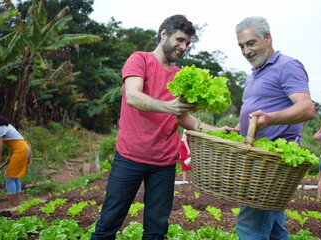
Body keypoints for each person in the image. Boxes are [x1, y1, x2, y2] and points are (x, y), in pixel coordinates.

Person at [91, 14, 232, 240]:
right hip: (130, 157)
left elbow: (183, 118)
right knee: (108, 223)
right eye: (179, 40)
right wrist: (169, 107)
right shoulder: (140, 60)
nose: (183, 47)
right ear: (164, 34)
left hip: (164, 162)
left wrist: (215, 130)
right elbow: (134, 97)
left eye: (187, 43)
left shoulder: (179, 76)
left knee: (156, 230)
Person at [234, 16, 316, 240]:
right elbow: (257, 112)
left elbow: (307, 108)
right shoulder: (253, 75)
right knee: (274, 230)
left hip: (271, 164)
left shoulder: (287, 66)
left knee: (249, 227)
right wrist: (239, 128)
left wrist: (270, 118)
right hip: (258, 162)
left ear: (267, 38)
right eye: (241, 46)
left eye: (251, 43)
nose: (246, 51)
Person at [0, 113, 32, 209]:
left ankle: (10, 206)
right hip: (23, 147)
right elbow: (16, 139)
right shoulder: (4, 125)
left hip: (20, 150)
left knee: (10, 177)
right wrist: (10, 155)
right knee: (14, 177)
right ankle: (18, 204)